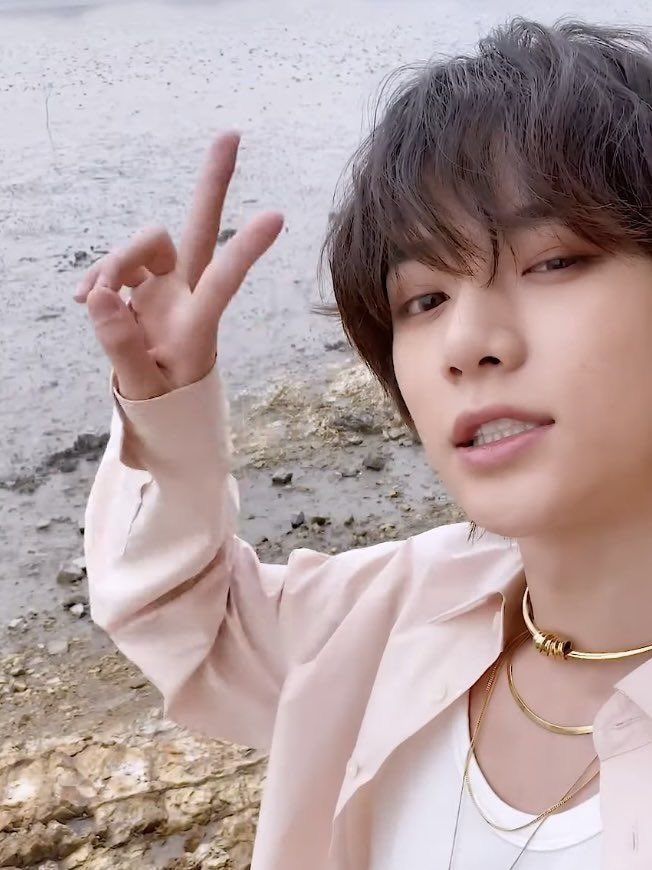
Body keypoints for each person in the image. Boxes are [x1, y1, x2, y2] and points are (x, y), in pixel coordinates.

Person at [76, 17, 652, 870]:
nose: (467, 343)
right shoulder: (391, 618)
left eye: (552, 261)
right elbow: (180, 617)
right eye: (424, 300)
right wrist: (169, 415)